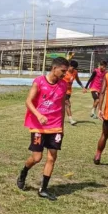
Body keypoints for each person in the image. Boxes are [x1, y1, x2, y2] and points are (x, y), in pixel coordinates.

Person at [17, 57, 69, 202]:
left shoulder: (64, 85)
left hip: (55, 126)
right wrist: (39, 115)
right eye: (63, 71)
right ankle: (23, 172)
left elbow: (62, 106)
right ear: (54, 68)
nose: (65, 74)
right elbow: (28, 101)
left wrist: (62, 127)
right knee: (37, 158)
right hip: (38, 125)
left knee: (52, 157)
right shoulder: (39, 81)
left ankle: (43, 189)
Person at [63, 59, 83, 125]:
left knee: (63, 105)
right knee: (68, 104)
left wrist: (83, 87)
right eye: (73, 67)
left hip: (69, 91)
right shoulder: (64, 72)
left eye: (74, 68)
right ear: (69, 66)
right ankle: (71, 120)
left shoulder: (75, 72)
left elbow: (78, 80)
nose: (73, 69)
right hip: (62, 90)